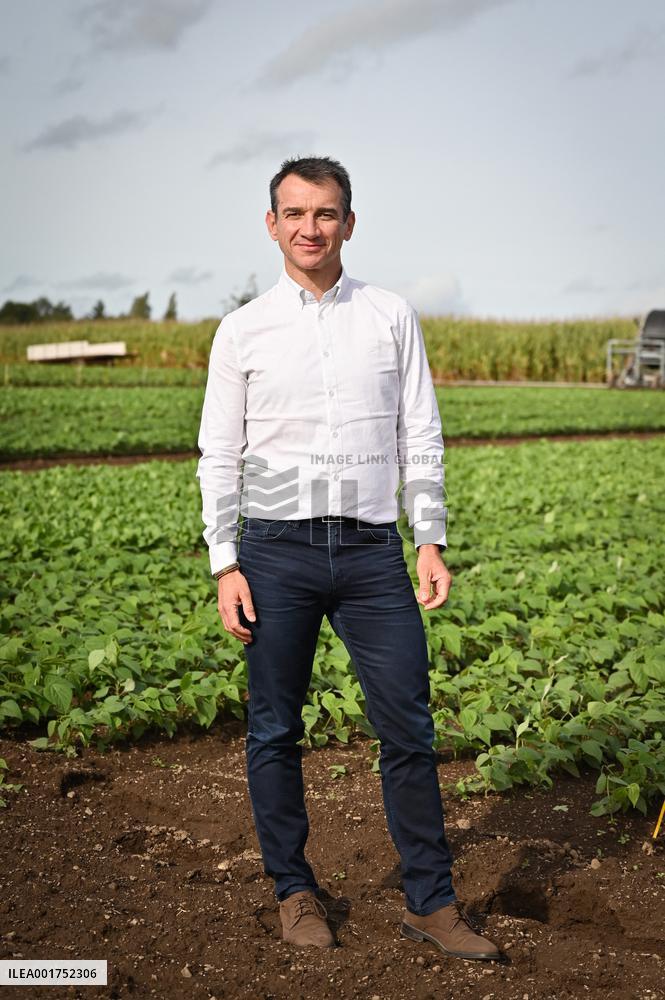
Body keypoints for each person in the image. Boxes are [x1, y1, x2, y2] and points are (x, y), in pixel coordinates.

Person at [195, 155, 501, 962]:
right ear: (272, 225)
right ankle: (293, 893)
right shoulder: (243, 329)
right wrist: (226, 562)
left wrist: (427, 537)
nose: (309, 228)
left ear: (348, 223)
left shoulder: (391, 316)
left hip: (371, 554)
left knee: (407, 725)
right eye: (294, 214)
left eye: (325, 213)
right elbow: (218, 455)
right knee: (273, 730)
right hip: (274, 551)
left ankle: (429, 903)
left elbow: (419, 433)